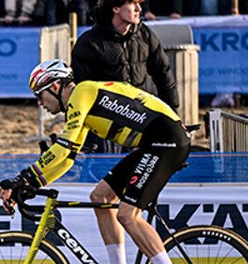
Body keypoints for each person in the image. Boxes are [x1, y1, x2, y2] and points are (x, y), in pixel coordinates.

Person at [0, 60, 192, 264]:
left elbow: (63, 147)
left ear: (55, 85)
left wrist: (23, 178)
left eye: (40, 95)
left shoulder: (83, 92)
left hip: (167, 142)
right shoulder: (80, 106)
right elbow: (67, 158)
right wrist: (32, 183)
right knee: (100, 197)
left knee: (128, 215)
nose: (40, 103)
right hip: (154, 144)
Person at [71, 0, 179, 153]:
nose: (139, 9)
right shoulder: (88, 43)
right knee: (104, 172)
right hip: (106, 126)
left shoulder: (145, 34)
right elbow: (81, 90)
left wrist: (173, 113)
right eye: (133, 4)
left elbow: (163, 72)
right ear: (115, 8)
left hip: (143, 117)